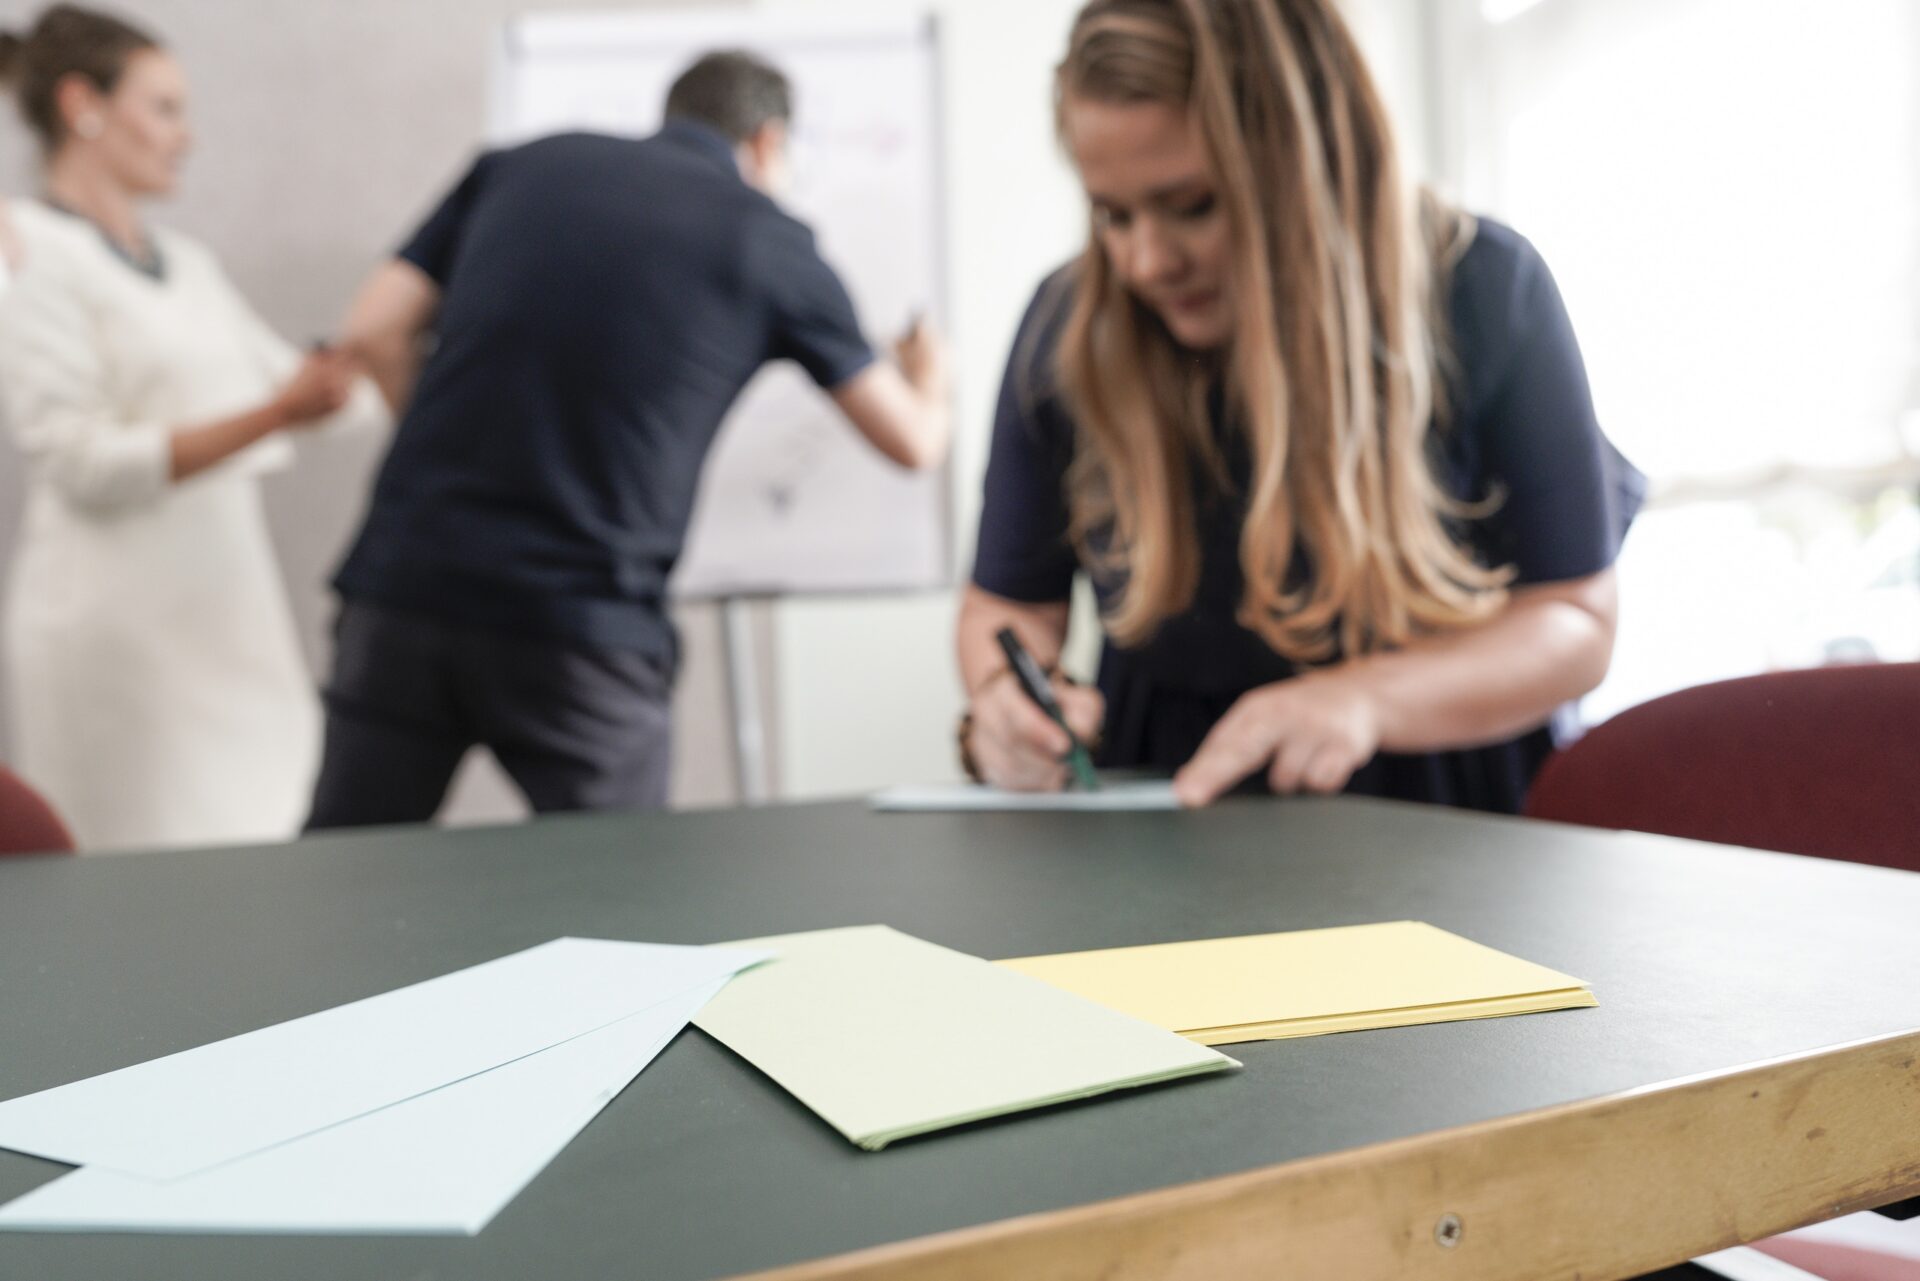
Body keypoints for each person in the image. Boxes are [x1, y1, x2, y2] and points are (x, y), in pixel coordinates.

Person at [958, 0, 1643, 813]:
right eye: (1114, 214)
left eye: (1194, 205)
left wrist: (1363, 699)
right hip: (1169, 818)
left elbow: (1575, 620)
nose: (1146, 260)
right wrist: (1003, 700)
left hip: (1444, 808)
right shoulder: (1068, 329)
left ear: (1309, 159)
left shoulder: (1483, 286)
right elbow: (1007, 606)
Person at [306, 50, 951, 828]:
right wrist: (931, 375)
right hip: (583, 624)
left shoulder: (522, 165)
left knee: (350, 872)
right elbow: (914, 443)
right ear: (768, 142)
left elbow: (373, 329)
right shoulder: (770, 239)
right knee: (619, 901)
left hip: (405, 586)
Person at [0, 5, 386, 850]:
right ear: (82, 105)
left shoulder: (190, 267)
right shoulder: (28, 251)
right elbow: (82, 459)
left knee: (269, 850)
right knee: (142, 884)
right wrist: (277, 413)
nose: (187, 137)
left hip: (225, 622)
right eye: (166, 108)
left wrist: (389, 348)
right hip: (118, 644)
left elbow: (308, 393)